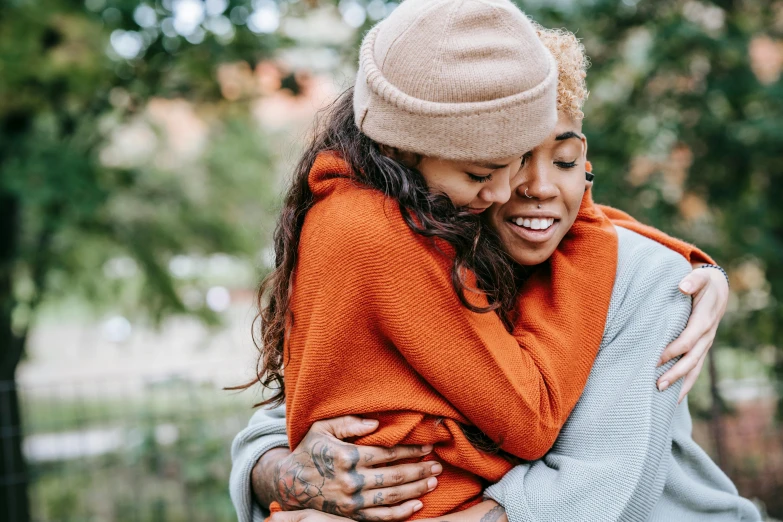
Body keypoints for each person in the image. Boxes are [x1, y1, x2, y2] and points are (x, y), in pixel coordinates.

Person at [231, 3, 746, 521]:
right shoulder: (434, 239)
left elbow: (595, 499)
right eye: (499, 166)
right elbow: (285, 419)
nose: (533, 187)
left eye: (565, 162)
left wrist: (683, 260)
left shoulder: (651, 280)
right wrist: (290, 478)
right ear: (421, 155)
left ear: (586, 164)